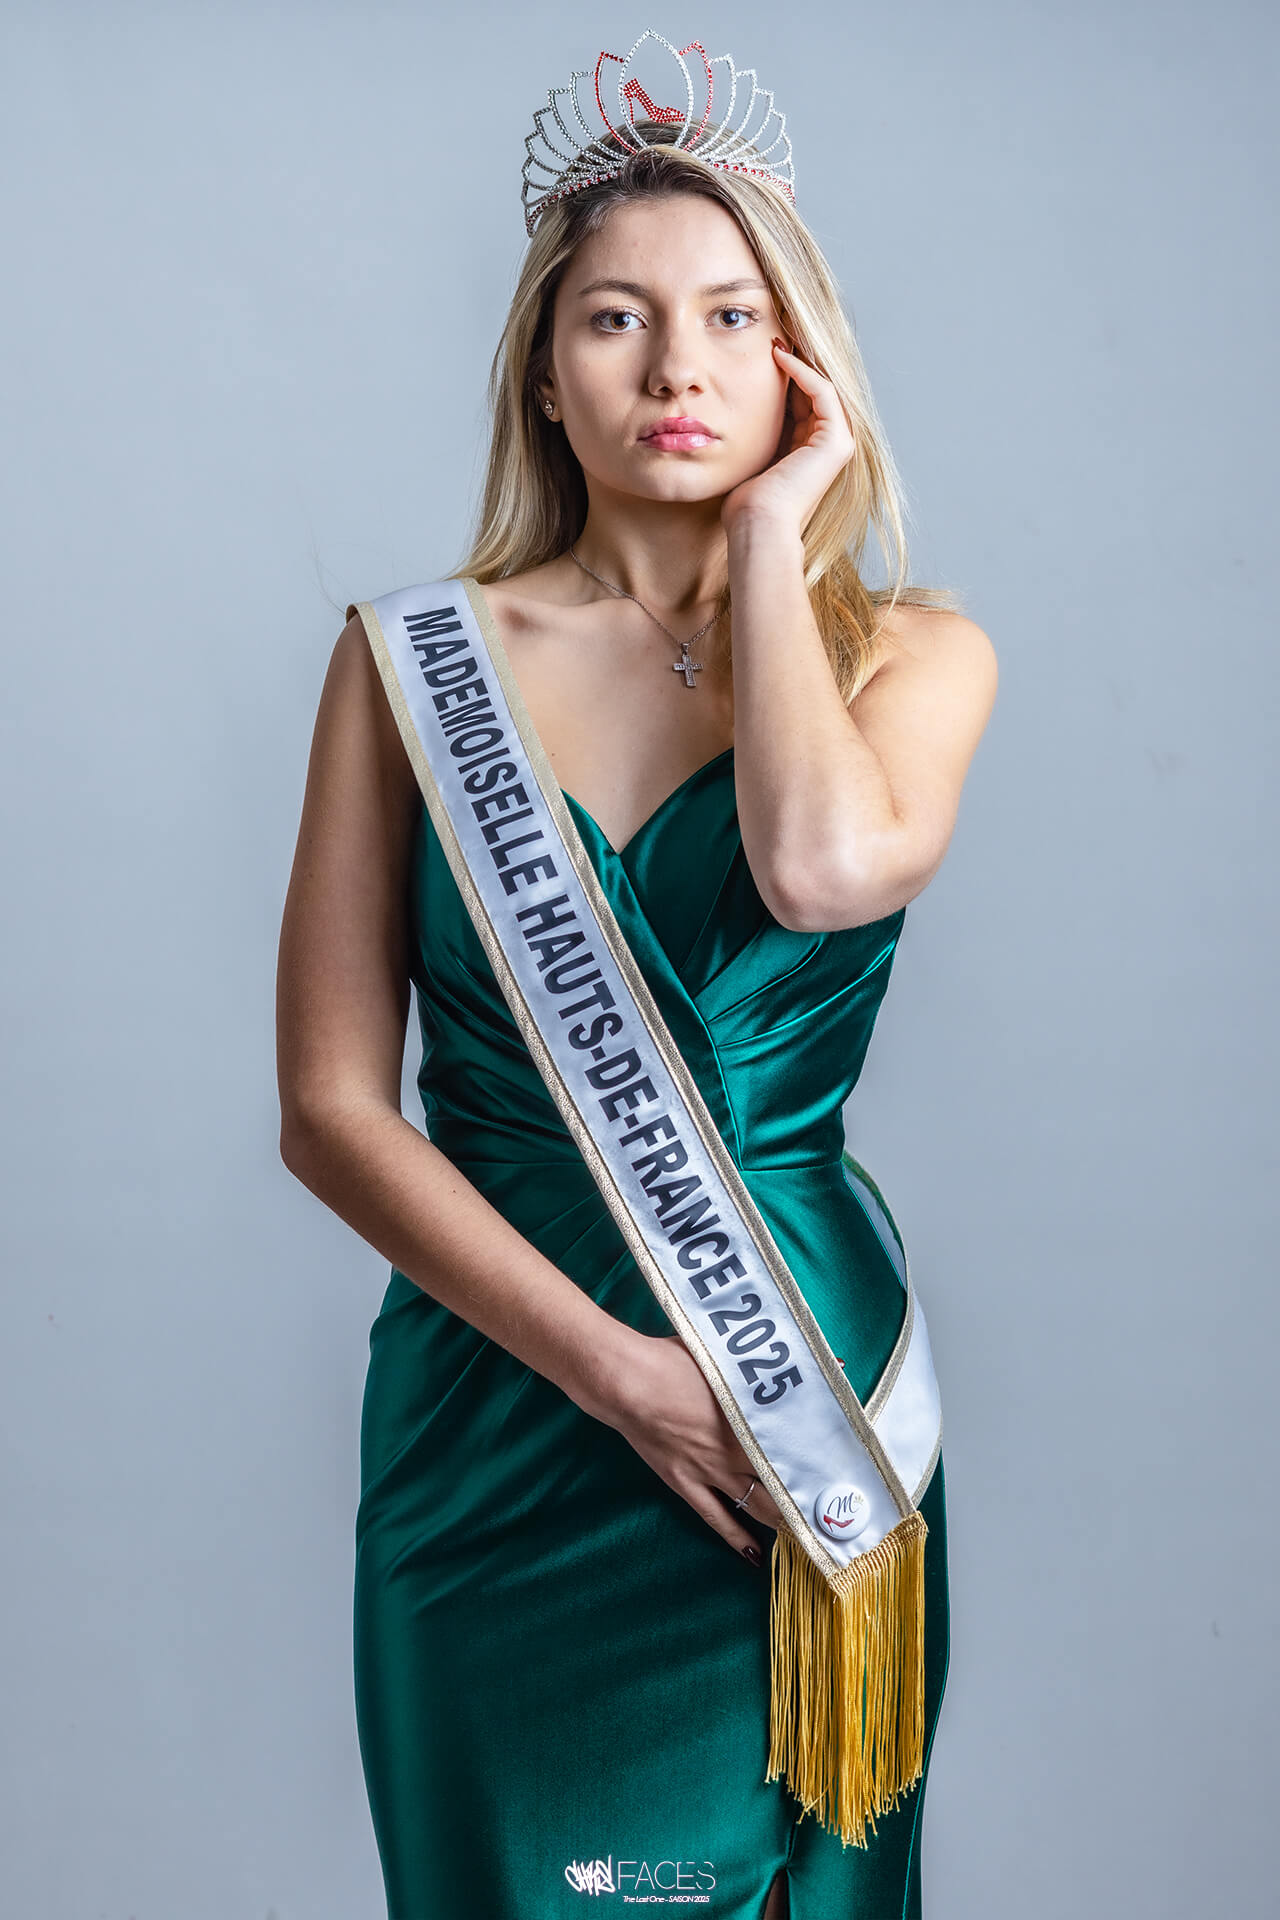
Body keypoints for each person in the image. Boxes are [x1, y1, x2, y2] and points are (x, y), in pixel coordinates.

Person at [276, 32, 997, 1920]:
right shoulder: (409, 663)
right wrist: (616, 1376)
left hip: (792, 1405)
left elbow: (816, 865)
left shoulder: (911, 657)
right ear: (544, 369)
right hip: (507, 1407)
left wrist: (768, 542)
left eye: (732, 319)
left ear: (801, 363)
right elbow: (331, 1110)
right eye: (616, 319)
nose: (678, 369)